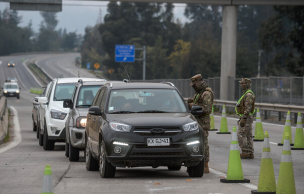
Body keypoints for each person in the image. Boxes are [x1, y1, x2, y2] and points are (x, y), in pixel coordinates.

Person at [188, 74, 214, 173]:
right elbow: (195, 101)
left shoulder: (206, 93)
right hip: (196, 122)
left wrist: (193, 106)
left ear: (198, 82)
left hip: (203, 123)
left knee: (204, 143)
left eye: (194, 84)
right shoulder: (199, 93)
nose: (193, 86)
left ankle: (205, 165)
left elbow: (207, 109)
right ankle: (198, 163)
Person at [235, 78, 255, 159]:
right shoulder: (246, 94)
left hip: (246, 117)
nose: (241, 85)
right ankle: (250, 152)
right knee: (248, 135)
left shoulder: (248, 95)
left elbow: (248, 107)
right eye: (241, 83)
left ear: (247, 84)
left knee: (240, 134)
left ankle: (245, 151)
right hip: (247, 117)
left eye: (243, 84)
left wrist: (244, 117)